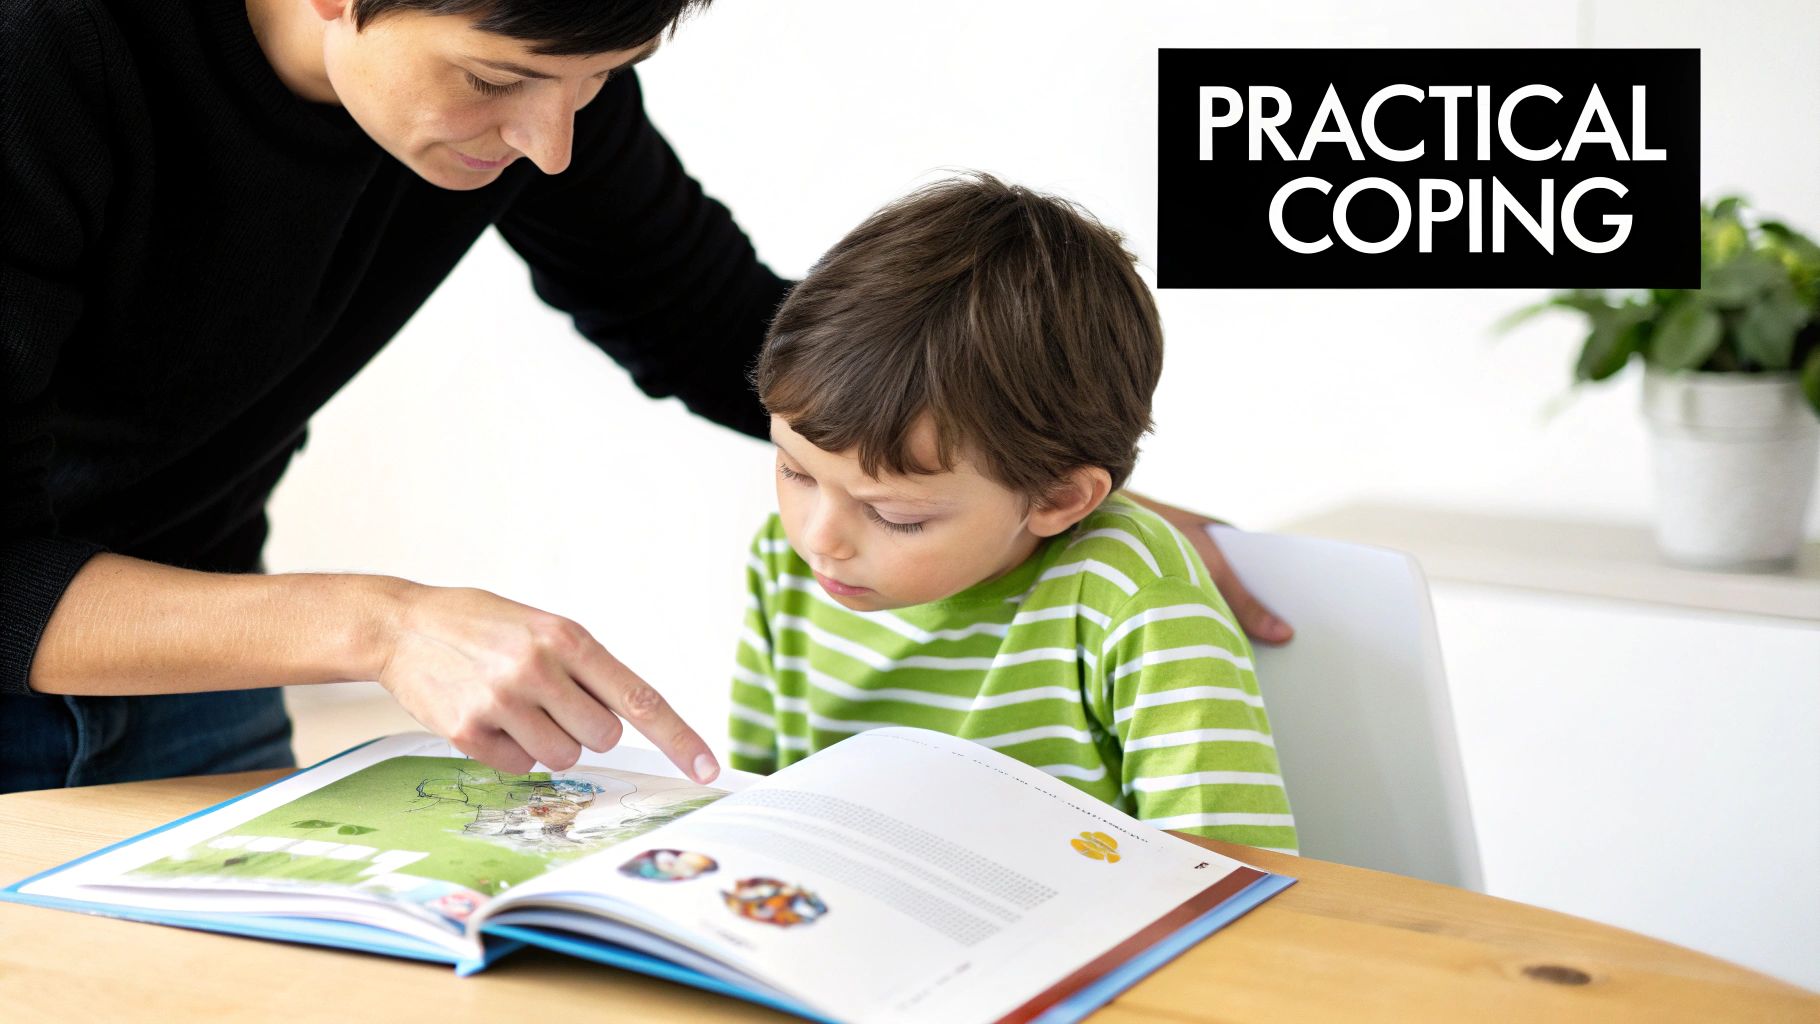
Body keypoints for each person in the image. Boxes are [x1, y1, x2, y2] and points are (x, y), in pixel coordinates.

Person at [0, 0, 1287, 795]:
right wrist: (384, 625)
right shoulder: (42, 59)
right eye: (501, 81)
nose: (553, 145)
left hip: (197, 665)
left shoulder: (539, 81)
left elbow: (705, 318)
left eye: (601, 79)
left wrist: (1028, 483)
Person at [728, 176, 1297, 850]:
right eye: (795, 472)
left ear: (1056, 499)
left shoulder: (1130, 597)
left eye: (898, 517)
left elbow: (1227, 877)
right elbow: (753, 809)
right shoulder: (785, 564)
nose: (819, 539)